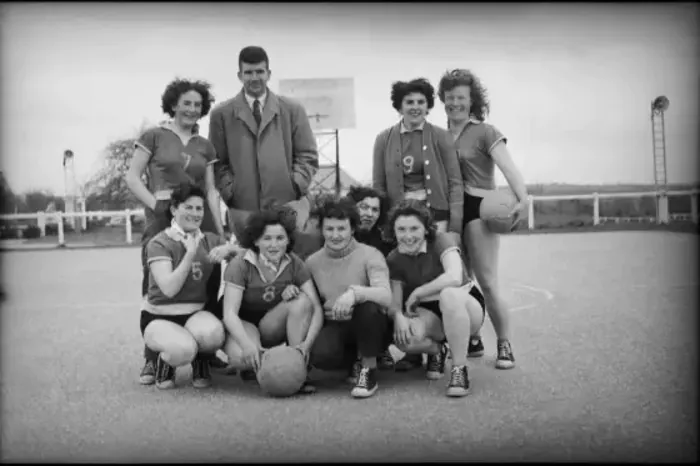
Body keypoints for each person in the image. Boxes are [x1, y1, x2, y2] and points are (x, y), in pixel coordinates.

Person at [126, 78, 228, 384]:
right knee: (156, 285)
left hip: (200, 217)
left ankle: (203, 357)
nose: (192, 109)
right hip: (163, 218)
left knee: (208, 283)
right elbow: (132, 178)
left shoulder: (204, 145)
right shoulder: (154, 135)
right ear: (173, 104)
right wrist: (156, 205)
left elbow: (210, 190)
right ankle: (153, 356)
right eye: (186, 103)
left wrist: (220, 230)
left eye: (198, 105)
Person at [437, 69, 529, 369]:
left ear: (472, 100)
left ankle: (504, 344)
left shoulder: (485, 131)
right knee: (460, 283)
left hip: (478, 208)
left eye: (461, 97)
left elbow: (509, 168)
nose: (454, 103)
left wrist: (523, 198)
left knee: (487, 282)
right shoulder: (438, 135)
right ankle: (472, 336)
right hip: (451, 210)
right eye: (449, 97)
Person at [209, 45, 319, 239]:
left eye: (260, 71)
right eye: (248, 72)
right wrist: (230, 192)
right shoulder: (221, 114)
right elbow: (217, 162)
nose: (254, 78)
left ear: (268, 74)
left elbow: (307, 155)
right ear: (239, 75)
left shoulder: (293, 110)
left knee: (288, 265)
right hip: (244, 212)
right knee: (247, 266)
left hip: (287, 208)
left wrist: (294, 185)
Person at [384, 199, 486, 397]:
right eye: (401, 229)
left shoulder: (440, 240)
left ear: (425, 229)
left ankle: (459, 370)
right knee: (404, 339)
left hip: (464, 303)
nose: (408, 235)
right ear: (393, 231)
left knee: (448, 295)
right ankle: (437, 350)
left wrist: (419, 291)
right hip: (430, 312)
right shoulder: (394, 258)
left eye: (414, 228)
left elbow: (454, 277)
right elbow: (395, 303)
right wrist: (398, 317)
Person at [141, 183, 239, 389]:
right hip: (160, 316)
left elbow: (249, 254)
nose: (195, 213)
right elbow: (169, 289)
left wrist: (230, 249)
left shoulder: (209, 240)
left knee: (214, 334)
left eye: (199, 208)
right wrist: (189, 254)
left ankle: (200, 359)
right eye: (189, 207)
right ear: (174, 209)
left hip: (194, 314)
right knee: (183, 350)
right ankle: (164, 361)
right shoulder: (159, 243)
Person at [221, 207, 324, 394]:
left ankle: (298, 367)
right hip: (246, 325)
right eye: (267, 238)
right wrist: (247, 346)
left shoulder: (294, 263)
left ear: (288, 240)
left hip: (271, 326)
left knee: (302, 300)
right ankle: (253, 364)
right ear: (256, 241)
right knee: (240, 358)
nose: (274, 245)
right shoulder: (240, 265)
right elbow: (229, 314)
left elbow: (316, 307)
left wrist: (306, 345)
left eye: (280, 238)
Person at [306, 197, 393, 399]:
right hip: (336, 324)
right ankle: (353, 361)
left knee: (368, 306)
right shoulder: (312, 262)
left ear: (352, 229)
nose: (335, 235)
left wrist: (355, 294)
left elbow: (386, 296)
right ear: (322, 230)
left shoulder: (370, 254)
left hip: (371, 323)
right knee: (321, 354)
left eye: (341, 229)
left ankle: (368, 370)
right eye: (329, 229)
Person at [372, 78, 463, 235]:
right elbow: (379, 186)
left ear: (428, 106)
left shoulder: (442, 136)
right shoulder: (383, 139)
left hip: (437, 217)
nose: (415, 107)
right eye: (409, 102)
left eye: (421, 102)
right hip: (399, 219)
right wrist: (383, 223)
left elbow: (455, 183)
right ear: (400, 107)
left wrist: (455, 225)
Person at [344, 185, 395, 370]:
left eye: (375, 209)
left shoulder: (385, 243)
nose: (369, 214)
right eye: (364, 207)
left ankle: (379, 349)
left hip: (376, 304)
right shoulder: (338, 236)